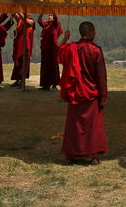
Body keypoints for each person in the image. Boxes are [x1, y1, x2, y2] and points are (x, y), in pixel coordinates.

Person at [57, 22, 108, 165]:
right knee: (92, 126)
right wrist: (103, 96)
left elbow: (58, 52)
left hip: (75, 92)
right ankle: (92, 155)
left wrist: (65, 38)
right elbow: (101, 76)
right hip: (90, 92)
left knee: (74, 125)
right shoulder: (95, 50)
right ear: (91, 32)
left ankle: (71, 154)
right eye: (94, 31)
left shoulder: (70, 48)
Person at [38, 13, 63, 91]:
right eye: (48, 15)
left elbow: (56, 18)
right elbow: (39, 21)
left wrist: (52, 9)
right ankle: (45, 85)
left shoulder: (56, 23)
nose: (49, 16)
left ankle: (54, 85)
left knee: (53, 66)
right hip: (45, 47)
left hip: (52, 47)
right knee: (45, 66)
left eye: (51, 15)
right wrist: (41, 12)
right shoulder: (46, 24)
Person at [11, 13, 35, 87]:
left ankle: (22, 80)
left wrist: (19, 11)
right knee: (17, 61)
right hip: (19, 44)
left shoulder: (30, 20)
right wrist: (15, 10)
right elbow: (16, 16)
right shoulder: (20, 21)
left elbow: (27, 22)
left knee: (23, 61)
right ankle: (17, 79)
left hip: (25, 44)